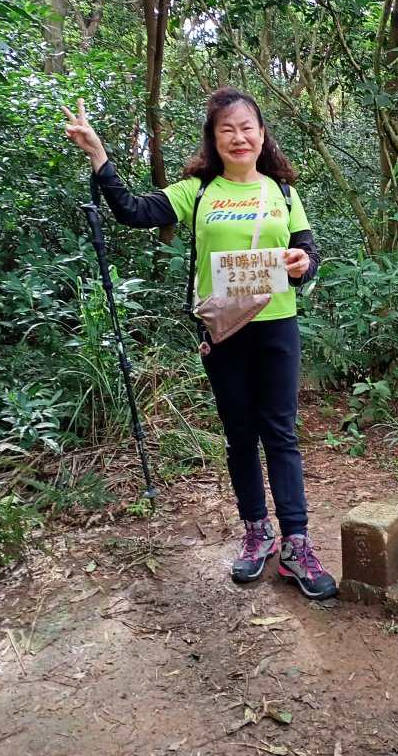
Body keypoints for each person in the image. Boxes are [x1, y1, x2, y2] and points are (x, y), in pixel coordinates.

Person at [62, 88, 337, 601]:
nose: (238, 137)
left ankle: (296, 543)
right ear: (214, 139)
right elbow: (133, 210)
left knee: (281, 432)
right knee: (239, 434)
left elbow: (306, 252)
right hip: (221, 328)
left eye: (247, 127)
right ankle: (257, 533)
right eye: (226, 129)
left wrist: (302, 265)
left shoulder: (282, 192)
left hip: (276, 324)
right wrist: (99, 156)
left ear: (261, 135)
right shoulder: (199, 190)